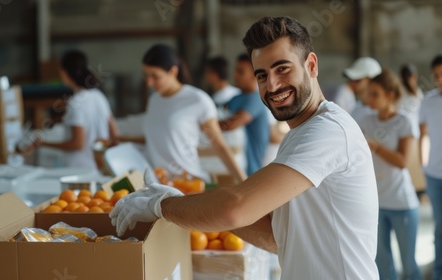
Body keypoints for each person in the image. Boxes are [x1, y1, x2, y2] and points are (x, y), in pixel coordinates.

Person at [110, 16, 379, 279]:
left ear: (311, 65)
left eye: (282, 68)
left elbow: (235, 208)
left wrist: (163, 205)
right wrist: (185, 200)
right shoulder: (297, 134)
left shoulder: (329, 130)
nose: (272, 85)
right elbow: (276, 237)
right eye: (262, 75)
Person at [141, 44, 246, 183]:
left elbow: (219, 145)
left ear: (172, 71)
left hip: (190, 184)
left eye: (155, 76)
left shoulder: (197, 100)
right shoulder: (154, 101)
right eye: (146, 75)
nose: (149, 82)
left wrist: (243, 180)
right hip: (159, 184)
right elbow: (157, 138)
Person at [359, 68, 421, 280]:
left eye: (375, 94)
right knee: (382, 266)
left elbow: (402, 161)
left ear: (391, 96)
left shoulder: (404, 121)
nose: (369, 99)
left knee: (410, 266)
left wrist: (375, 146)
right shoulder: (366, 121)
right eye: (369, 93)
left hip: (402, 203)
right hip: (376, 204)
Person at [37, 50, 119, 169]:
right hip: (100, 167)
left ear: (64, 73)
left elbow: (77, 144)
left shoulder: (75, 103)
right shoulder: (99, 96)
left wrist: (43, 143)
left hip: (78, 169)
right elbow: (114, 134)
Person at [220, 54, 270, 175]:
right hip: (232, 171)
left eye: (241, 72)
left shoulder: (255, 99)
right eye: (236, 71)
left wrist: (206, 125)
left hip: (249, 173)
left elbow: (230, 124)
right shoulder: (235, 99)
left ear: (255, 75)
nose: (235, 76)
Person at [419, 53, 442, 280]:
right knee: (440, 228)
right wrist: (423, 165)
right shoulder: (428, 101)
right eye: (436, 75)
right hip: (435, 175)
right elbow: (423, 135)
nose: (440, 79)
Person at [398, 63, 426, 193]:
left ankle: (415, 191)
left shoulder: (414, 92)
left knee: (411, 166)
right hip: (410, 134)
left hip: (410, 134)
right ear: (413, 76)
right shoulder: (404, 92)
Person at [344, 57, 382, 124]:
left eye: (357, 80)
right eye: (351, 79)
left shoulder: (380, 113)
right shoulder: (356, 108)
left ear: (372, 81)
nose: (352, 83)